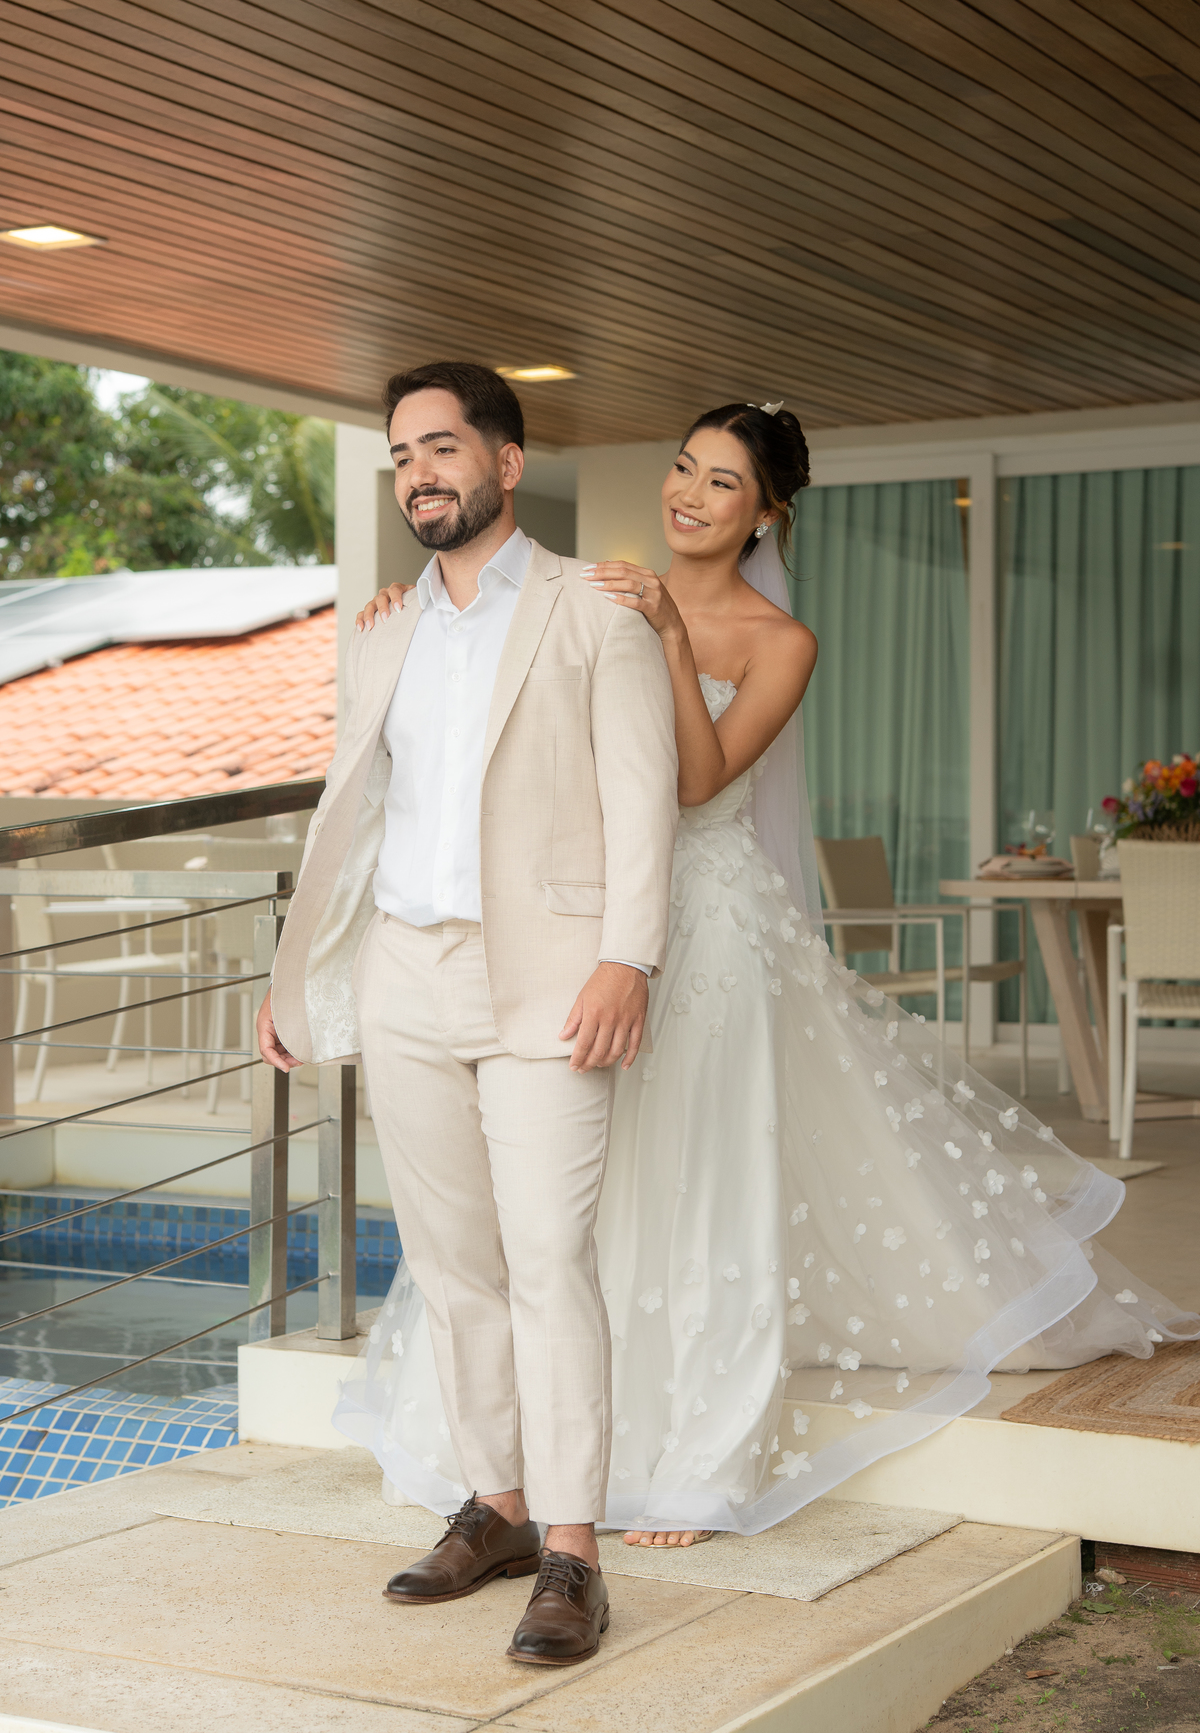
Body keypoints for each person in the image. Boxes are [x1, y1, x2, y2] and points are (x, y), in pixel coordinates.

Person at [343, 399, 1199, 1551]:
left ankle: (697, 1455)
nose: (688, 496)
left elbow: (694, 787)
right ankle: (549, 1456)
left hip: (709, 928)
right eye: (683, 470)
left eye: (721, 484)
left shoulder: (777, 641)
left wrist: (672, 641)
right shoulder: (584, 588)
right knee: (582, 1205)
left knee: (702, 1188)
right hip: (579, 931)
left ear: (766, 513)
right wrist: (409, 612)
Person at [257, 359, 678, 1664]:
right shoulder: (384, 628)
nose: (417, 474)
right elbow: (356, 817)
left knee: (550, 1261)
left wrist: (632, 957)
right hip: (405, 980)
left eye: (441, 448)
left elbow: (643, 795)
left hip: (552, 979)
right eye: (399, 456)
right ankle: (494, 1509)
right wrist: (297, 980)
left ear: (504, 462)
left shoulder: (591, 610)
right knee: (452, 1269)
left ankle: (574, 1553)